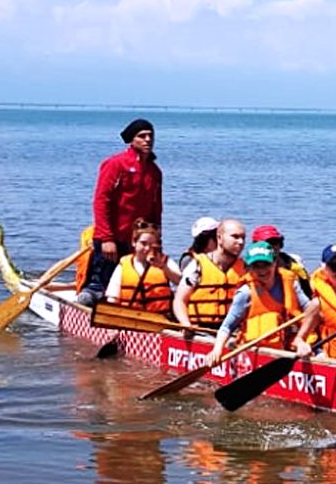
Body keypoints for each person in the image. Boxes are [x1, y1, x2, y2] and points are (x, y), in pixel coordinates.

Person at [78, 118, 162, 306]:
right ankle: (86, 304)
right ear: (132, 140)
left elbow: (156, 210)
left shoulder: (154, 172)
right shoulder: (116, 164)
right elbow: (101, 201)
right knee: (99, 287)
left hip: (137, 241)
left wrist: (157, 240)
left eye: (150, 136)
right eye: (142, 136)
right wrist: (107, 238)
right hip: (111, 238)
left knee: (132, 285)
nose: (148, 139)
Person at [211, 241, 320, 360]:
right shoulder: (245, 292)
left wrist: (301, 339)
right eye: (256, 266)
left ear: (275, 263)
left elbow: (310, 310)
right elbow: (227, 326)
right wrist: (217, 349)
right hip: (258, 349)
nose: (262, 270)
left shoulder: (291, 283)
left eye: (266, 264)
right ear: (249, 267)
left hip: (290, 343)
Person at [173, 217, 248, 331]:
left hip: (232, 331)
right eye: (235, 237)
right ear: (219, 238)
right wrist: (186, 324)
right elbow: (180, 300)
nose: (241, 242)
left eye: (243, 237)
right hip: (201, 330)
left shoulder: (246, 268)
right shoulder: (197, 266)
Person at [105, 221, 183, 315]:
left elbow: (181, 282)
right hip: (130, 319)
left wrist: (163, 267)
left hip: (160, 319)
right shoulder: (124, 265)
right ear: (134, 242)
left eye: (151, 245)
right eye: (143, 243)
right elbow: (112, 297)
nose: (147, 248)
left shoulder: (165, 261)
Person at [250, 225, 313, 300]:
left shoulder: (295, 268)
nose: (271, 247)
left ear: (280, 245)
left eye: (274, 242)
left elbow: (308, 295)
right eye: (266, 244)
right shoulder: (247, 269)